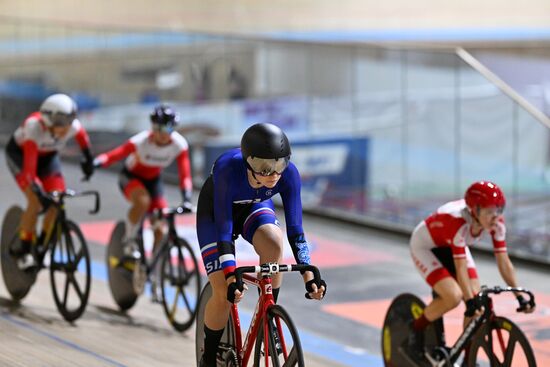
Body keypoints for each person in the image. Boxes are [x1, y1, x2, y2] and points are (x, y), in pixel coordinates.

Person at [196, 122, 327, 367]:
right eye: (264, 168)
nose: (273, 174)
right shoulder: (227, 167)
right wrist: (229, 274)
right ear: (248, 162)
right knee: (223, 294)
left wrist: (309, 274)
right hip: (216, 215)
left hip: (253, 206)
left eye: (279, 165)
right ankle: (209, 357)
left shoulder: (289, 174)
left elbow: (296, 232)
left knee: (274, 243)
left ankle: (268, 312)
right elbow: (224, 230)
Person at [406, 180, 535, 360]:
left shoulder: (496, 224)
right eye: (490, 211)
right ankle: (414, 330)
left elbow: (504, 262)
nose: (495, 216)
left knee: (477, 301)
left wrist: (519, 296)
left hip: (453, 244)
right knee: (454, 297)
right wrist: (469, 302)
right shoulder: (458, 223)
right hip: (426, 247)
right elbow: (460, 269)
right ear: (475, 210)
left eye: (498, 209)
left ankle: (468, 356)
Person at [93, 104, 193, 300]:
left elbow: (185, 174)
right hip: (131, 178)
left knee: (161, 228)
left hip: (153, 182)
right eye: (160, 129)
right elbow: (116, 154)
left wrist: (187, 198)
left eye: (169, 129)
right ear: (153, 128)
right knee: (142, 201)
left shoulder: (179, 145)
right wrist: (96, 162)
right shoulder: (140, 141)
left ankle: (154, 272)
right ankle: (129, 240)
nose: (164, 134)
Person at [5, 93, 95, 269]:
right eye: (61, 122)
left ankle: (41, 245)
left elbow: (84, 141)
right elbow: (30, 169)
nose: (66, 128)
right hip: (21, 156)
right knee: (35, 201)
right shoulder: (33, 127)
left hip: (47, 158)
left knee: (57, 201)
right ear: (48, 119)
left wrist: (88, 159)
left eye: (69, 120)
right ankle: (23, 249)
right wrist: (36, 188)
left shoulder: (72, 127)